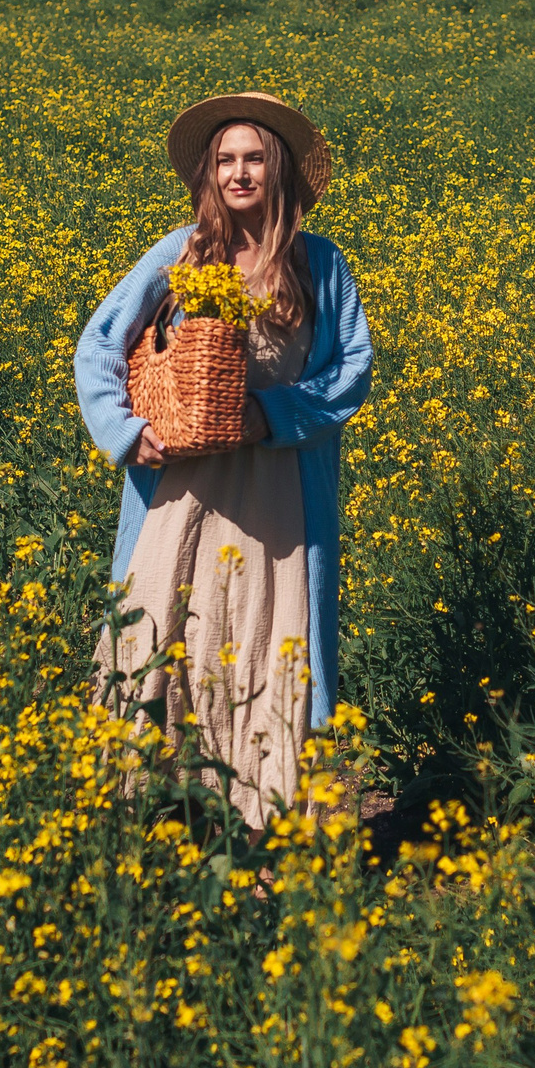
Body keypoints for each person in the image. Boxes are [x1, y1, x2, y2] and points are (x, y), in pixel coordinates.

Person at [73, 92, 374, 828]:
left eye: (255, 160)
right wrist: (122, 430)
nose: (241, 173)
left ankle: (263, 829)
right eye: (227, 160)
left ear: (280, 173)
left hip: (279, 495)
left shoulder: (320, 265)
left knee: (270, 644)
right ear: (211, 174)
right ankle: (151, 821)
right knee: (159, 632)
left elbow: (351, 372)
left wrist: (265, 415)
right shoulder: (177, 252)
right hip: (177, 490)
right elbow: (100, 344)